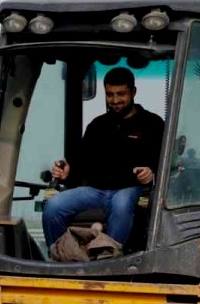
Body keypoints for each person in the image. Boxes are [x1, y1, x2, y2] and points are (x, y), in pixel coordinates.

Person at [43, 66, 165, 253]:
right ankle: (62, 255)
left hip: (131, 189)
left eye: (121, 94)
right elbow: (79, 163)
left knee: (122, 204)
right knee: (54, 205)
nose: (115, 101)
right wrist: (68, 172)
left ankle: (108, 258)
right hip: (96, 191)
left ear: (133, 92)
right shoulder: (97, 125)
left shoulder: (153, 124)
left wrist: (152, 174)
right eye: (110, 95)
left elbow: (164, 165)